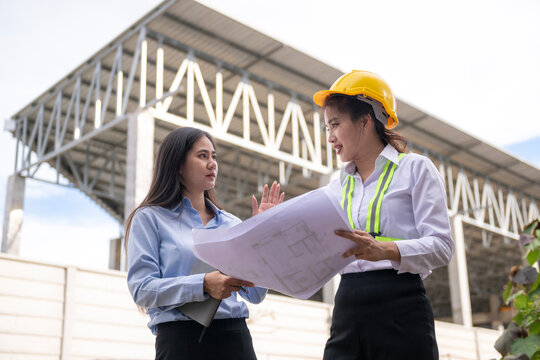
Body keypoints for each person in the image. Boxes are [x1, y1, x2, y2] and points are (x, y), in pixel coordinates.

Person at [313, 70, 454, 360]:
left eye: (335, 124)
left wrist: (384, 250)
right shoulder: (335, 187)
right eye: (327, 128)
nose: (330, 138)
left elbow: (442, 247)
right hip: (347, 306)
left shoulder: (415, 169)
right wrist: (275, 225)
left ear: (365, 121)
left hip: (401, 306)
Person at [125, 126, 284, 360]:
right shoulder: (150, 218)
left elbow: (256, 294)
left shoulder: (232, 224)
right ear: (178, 164)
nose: (212, 164)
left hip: (235, 339)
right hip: (181, 343)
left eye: (213, 156)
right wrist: (202, 285)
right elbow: (142, 290)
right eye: (202, 156)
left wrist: (260, 238)